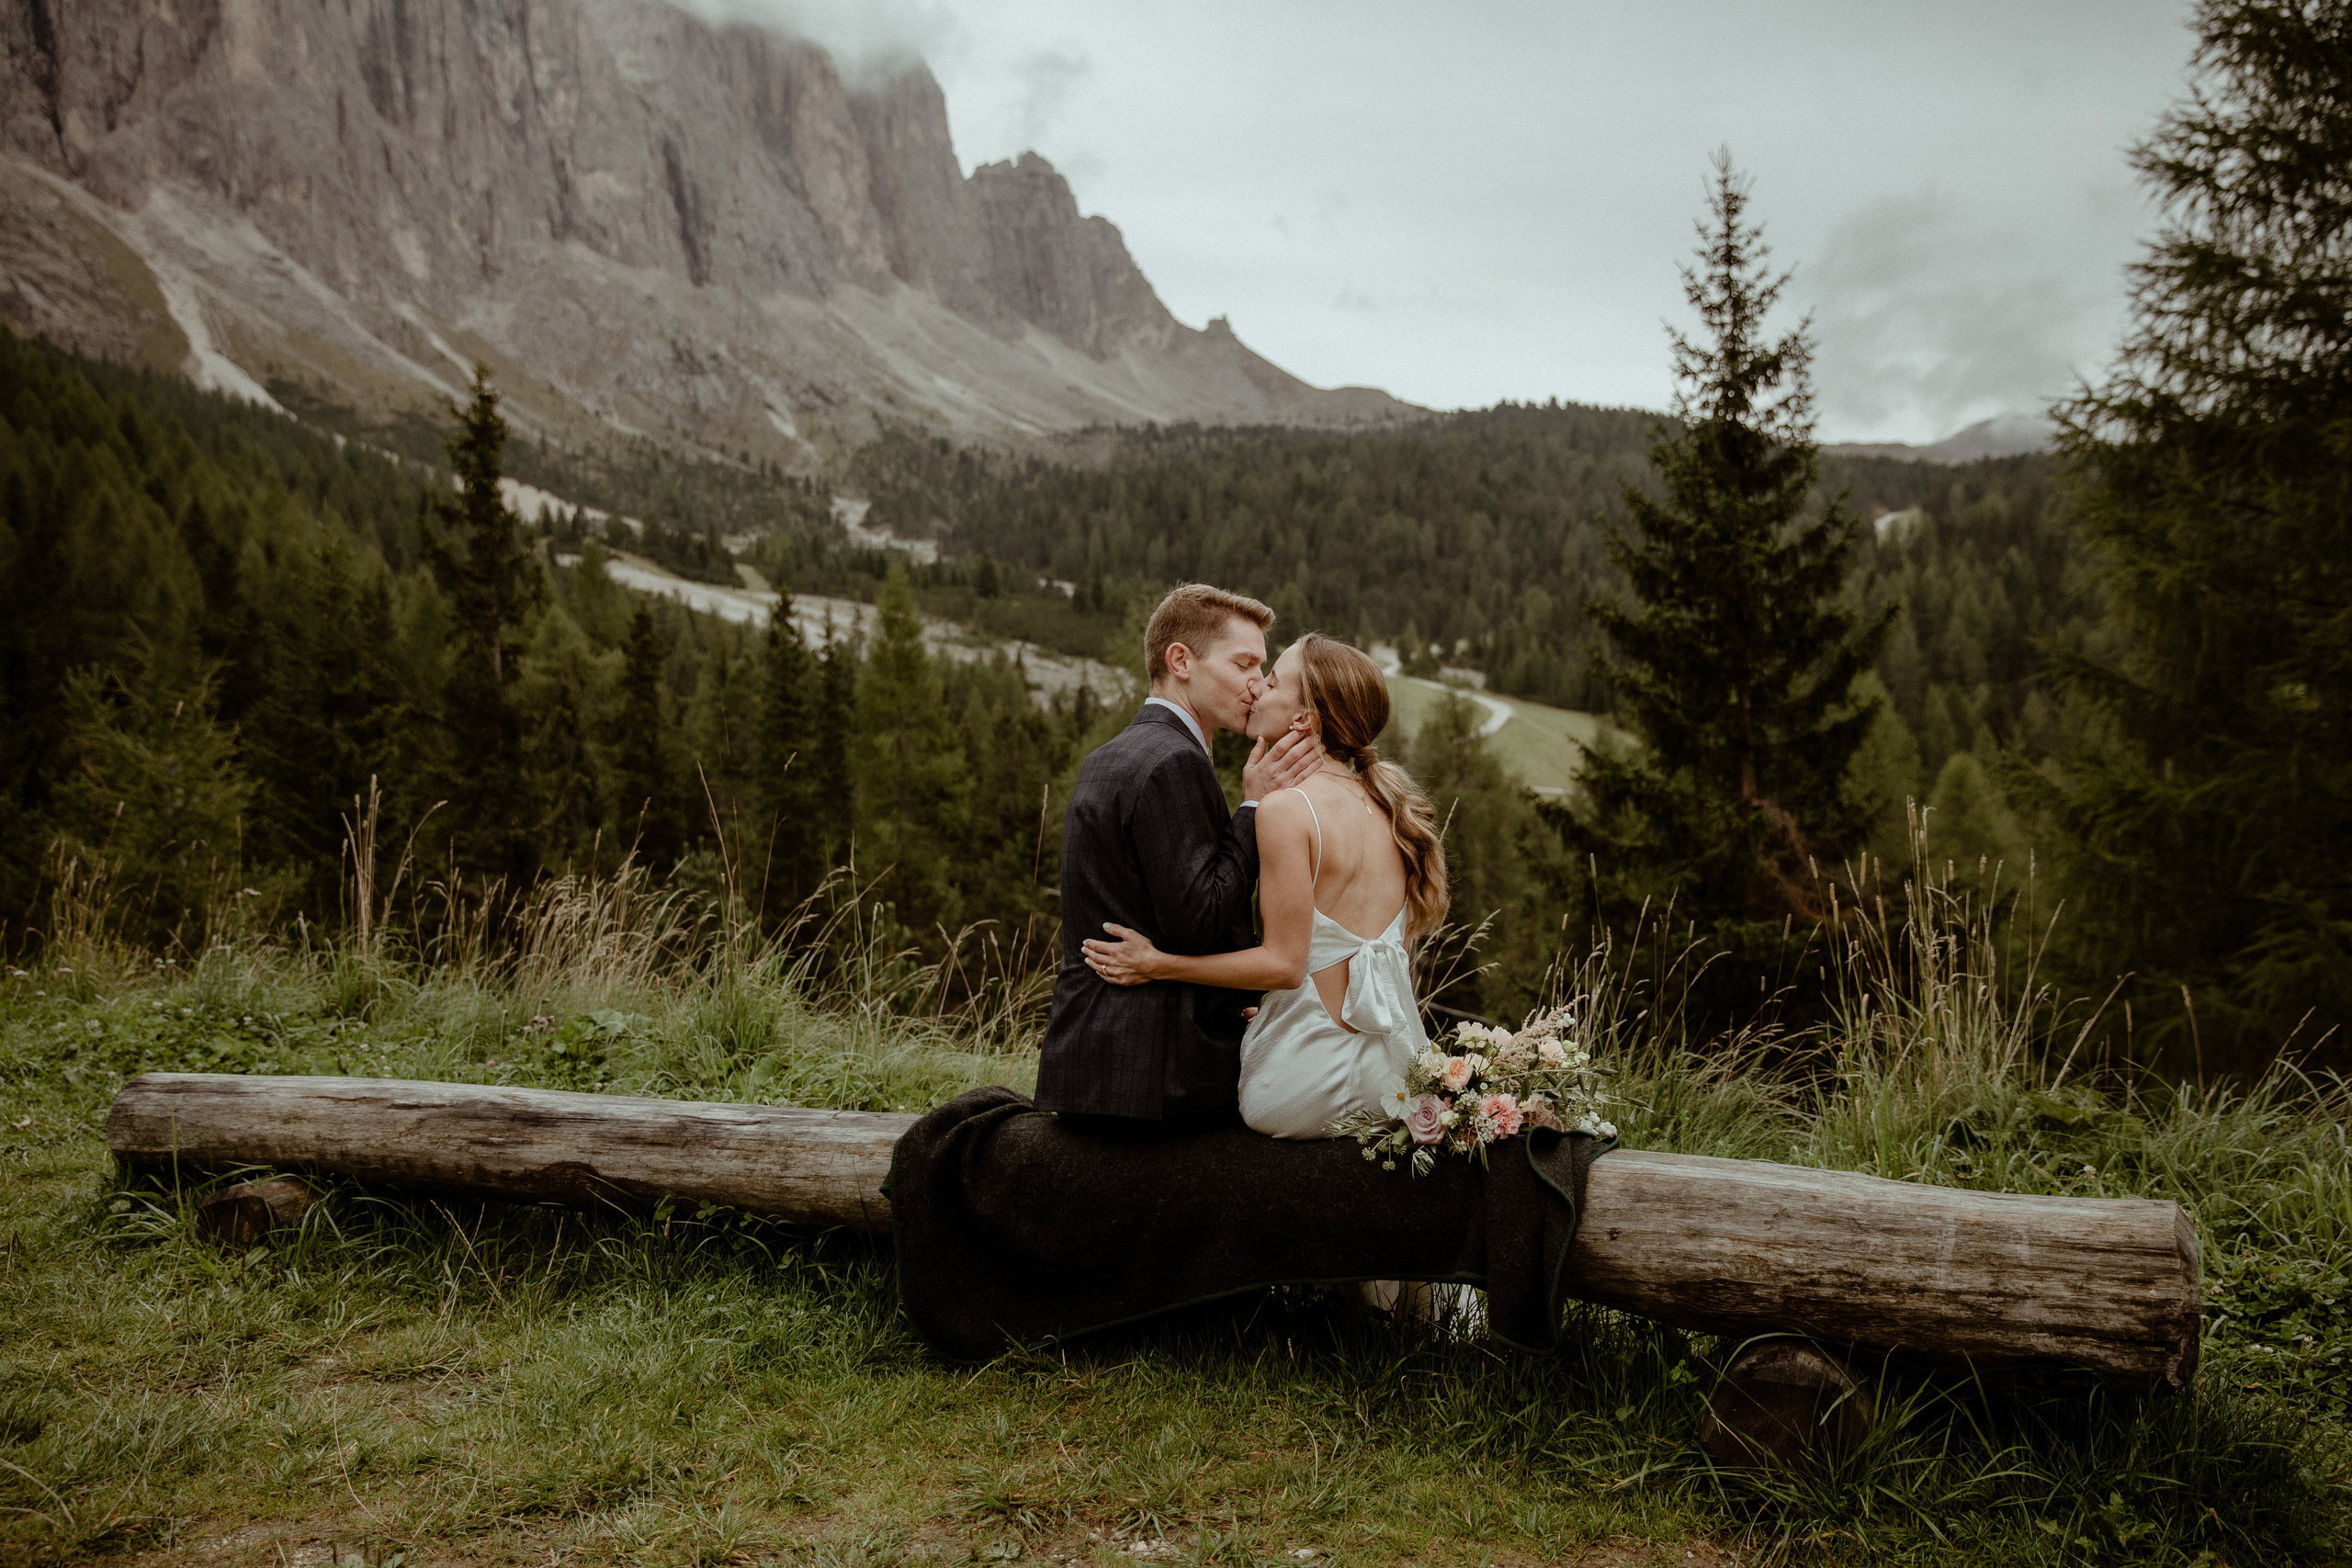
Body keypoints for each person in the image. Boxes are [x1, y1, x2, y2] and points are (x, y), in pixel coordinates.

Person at [1082, 633, 1449, 1138]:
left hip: (1304, 1085)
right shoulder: (1393, 812)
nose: (1257, 689)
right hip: (1396, 1077)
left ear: (1303, 719)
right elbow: (1368, 962)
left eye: (1272, 681)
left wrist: (1159, 966)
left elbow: (1285, 964)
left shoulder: (1287, 810)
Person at [1032, 584, 1321, 1133]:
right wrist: (1253, 808)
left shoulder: (1113, 754)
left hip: (1096, 1064)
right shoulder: (1173, 762)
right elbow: (1200, 920)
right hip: (1154, 1076)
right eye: (1244, 664)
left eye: (1263, 667)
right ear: (1181, 660)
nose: (1257, 684)